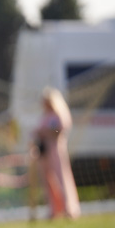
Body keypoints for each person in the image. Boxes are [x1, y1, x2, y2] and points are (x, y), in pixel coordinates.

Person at [33, 86, 80, 219]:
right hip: (44, 151)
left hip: (55, 150)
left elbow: (59, 131)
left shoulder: (58, 114)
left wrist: (45, 132)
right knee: (47, 181)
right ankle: (54, 210)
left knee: (61, 179)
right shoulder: (45, 116)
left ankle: (69, 209)